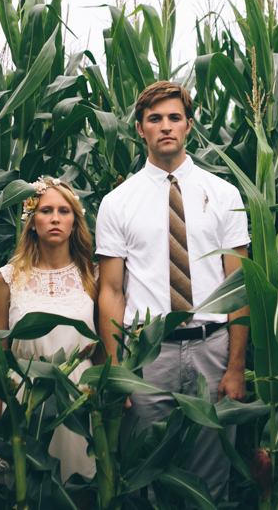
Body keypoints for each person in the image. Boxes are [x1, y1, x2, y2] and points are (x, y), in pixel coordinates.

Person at [94, 80, 250, 500]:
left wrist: (236, 366)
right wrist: (117, 371)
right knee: (143, 476)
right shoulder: (117, 202)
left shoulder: (224, 194)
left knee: (211, 478)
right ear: (140, 129)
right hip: (147, 356)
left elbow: (238, 286)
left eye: (174, 118)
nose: (166, 126)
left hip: (212, 352)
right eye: (155, 119)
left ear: (189, 126)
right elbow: (110, 291)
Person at [0, 175, 99, 487]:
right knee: (24, 489)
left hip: (77, 399)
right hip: (25, 396)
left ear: (75, 222)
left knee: (78, 489)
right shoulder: (7, 280)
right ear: (31, 220)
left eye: (64, 211)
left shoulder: (93, 277)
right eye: (46, 210)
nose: (55, 219)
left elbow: (103, 349)